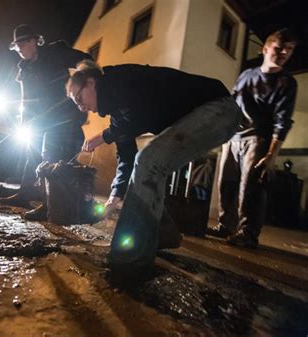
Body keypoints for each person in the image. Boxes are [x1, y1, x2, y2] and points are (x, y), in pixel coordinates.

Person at [66, 60, 242, 270]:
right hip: (207, 114)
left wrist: (103, 136)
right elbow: (127, 156)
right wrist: (114, 196)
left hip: (218, 107)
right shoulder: (117, 113)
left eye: (79, 98)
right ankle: (163, 232)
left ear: (92, 83)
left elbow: (140, 114)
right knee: (147, 164)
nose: (81, 106)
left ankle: (131, 255)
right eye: (76, 103)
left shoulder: (120, 78)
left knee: (148, 161)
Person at [207, 29, 298, 248]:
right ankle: (225, 225)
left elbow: (282, 121)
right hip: (232, 136)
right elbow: (230, 102)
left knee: (251, 188)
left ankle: (248, 234)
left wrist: (271, 155)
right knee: (226, 183)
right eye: (279, 47)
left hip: (258, 139)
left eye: (290, 49)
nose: (284, 52)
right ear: (265, 49)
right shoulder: (247, 75)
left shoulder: (287, 83)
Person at [0, 24, 92, 221]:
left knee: (55, 156)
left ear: (33, 41)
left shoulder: (55, 53)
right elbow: (25, 99)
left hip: (65, 115)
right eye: (16, 47)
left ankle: (52, 204)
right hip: (40, 119)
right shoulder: (24, 68)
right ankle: (26, 192)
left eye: (21, 45)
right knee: (32, 153)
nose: (19, 50)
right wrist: (24, 122)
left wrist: (77, 88)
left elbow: (86, 61)